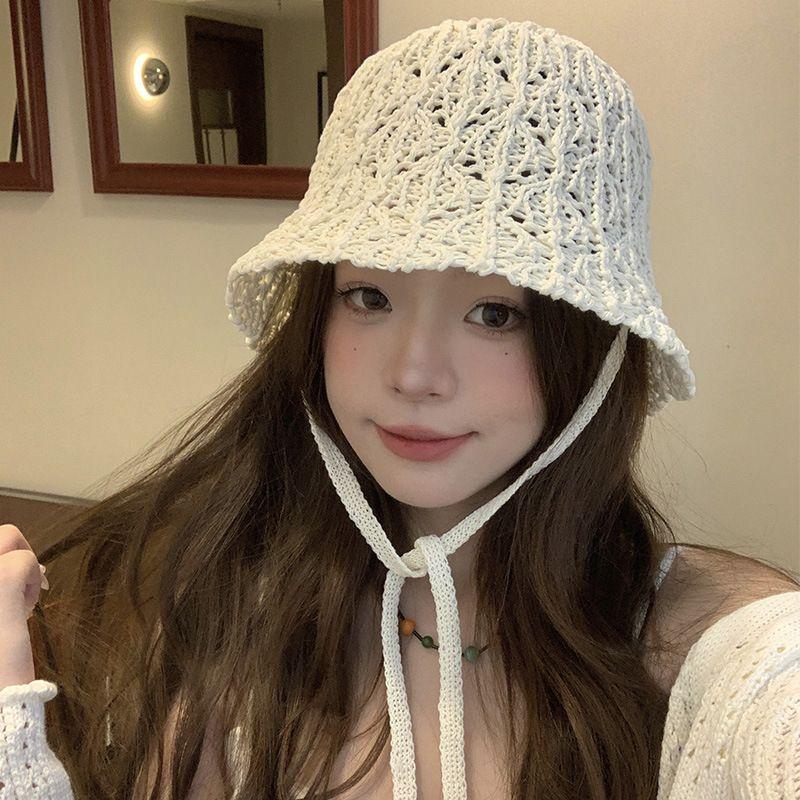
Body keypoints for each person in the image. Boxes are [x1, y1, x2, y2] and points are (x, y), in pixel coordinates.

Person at [1, 16, 799, 800]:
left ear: (596, 349)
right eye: (368, 296)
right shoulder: (231, 597)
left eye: (495, 313)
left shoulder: (702, 646)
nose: (414, 375)